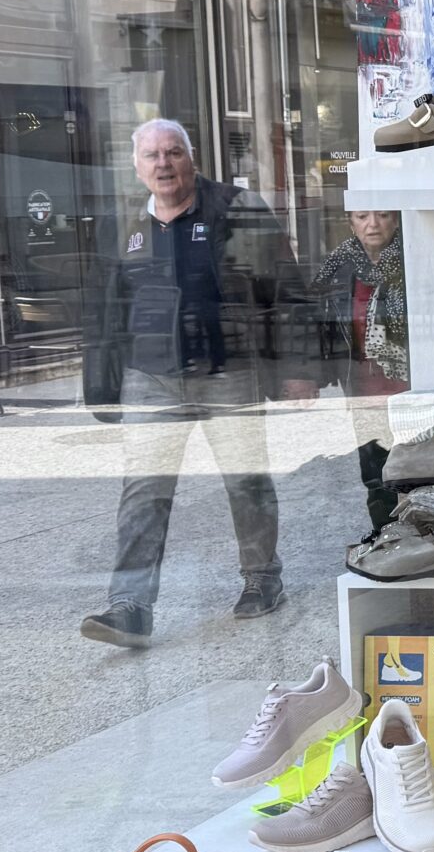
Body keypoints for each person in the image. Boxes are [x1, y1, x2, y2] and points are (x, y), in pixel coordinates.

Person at [79, 118, 315, 646]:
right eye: (152, 156)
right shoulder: (121, 222)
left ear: (192, 158)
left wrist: (298, 367)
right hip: (150, 376)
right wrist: (102, 383)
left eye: (174, 152)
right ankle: (130, 606)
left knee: (246, 480)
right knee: (143, 490)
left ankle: (262, 578)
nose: (164, 164)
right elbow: (104, 308)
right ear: (137, 167)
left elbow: (284, 287)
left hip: (228, 369)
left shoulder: (237, 209)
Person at [316, 208, 409, 528]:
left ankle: (425, 536)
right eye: (361, 216)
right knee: (374, 472)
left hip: (411, 387)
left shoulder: (413, 258)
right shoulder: (339, 267)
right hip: (363, 389)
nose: (372, 224)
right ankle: (386, 535)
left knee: (417, 468)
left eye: (382, 215)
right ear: (350, 223)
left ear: (396, 220)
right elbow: (323, 325)